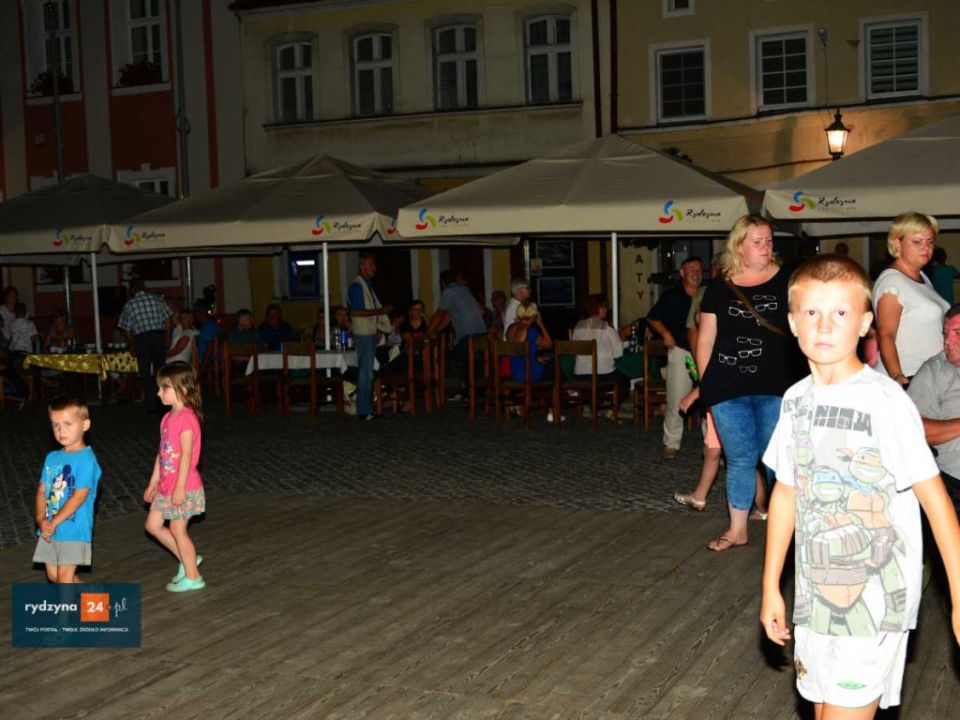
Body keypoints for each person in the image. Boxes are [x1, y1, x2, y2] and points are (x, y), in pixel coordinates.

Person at [761, 253, 960, 718]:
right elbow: (786, 492)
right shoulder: (795, 400)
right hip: (815, 600)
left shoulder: (885, 402)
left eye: (840, 313)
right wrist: (771, 584)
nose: (824, 326)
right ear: (792, 322)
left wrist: (958, 596)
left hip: (874, 606)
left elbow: (937, 503)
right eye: (812, 312)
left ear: (866, 323)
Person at [679, 215, 802, 551]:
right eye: (757, 241)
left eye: (769, 240)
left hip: (777, 386)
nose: (766, 246)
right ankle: (737, 529)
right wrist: (706, 385)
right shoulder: (720, 288)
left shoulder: (788, 281)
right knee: (740, 459)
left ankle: (786, 525)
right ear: (739, 246)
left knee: (777, 459)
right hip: (728, 387)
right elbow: (706, 340)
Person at [143, 362, 206, 593]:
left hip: (184, 485)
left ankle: (193, 576)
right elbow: (162, 453)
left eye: (164, 388)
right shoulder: (167, 418)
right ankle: (187, 559)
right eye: (159, 388)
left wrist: (180, 488)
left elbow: (187, 455)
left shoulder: (186, 418)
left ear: (183, 389)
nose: (159, 393)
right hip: (166, 485)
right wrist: (154, 481)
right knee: (152, 526)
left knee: (178, 530)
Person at [32, 396, 102, 583]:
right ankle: (92, 597)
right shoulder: (52, 457)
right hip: (50, 527)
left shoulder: (86, 460)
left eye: (67, 424)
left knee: (64, 577)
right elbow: (41, 491)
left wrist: (54, 522)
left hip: (74, 528)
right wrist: (41, 519)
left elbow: (78, 497)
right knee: (54, 575)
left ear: (85, 425)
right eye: (55, 425)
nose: (60, 430)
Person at [873, 212, 948, 386]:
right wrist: (897, 376)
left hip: (929, 378)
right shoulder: (892, 282)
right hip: (909, 378)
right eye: (917, 242)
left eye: (930, 241)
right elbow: (885, 334)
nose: (926, 247)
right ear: (897, 243)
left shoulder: (922, 277)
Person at [647, 257, 703, 459]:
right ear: (682, 273)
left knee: (710, 398)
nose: (695, 272)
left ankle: (712, 445)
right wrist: (665, 334)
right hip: (682, 352)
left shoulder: (707, 294)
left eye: (698, 269)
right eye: (691, 268)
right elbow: (652, 317)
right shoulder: (672, 296)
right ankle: (671, 443)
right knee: (676, 398)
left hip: (705, 352)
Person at [907, 303, 960, 514]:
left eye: (958, 333)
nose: (948, 341)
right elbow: (913, 429)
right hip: (953, 483)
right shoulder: (935, 372)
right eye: (945, 333)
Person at [427, 270, 488, 393]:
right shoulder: (464, 289)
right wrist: (437, 330)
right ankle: (478, 394)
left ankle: (471, 394)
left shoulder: (449, 291)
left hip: (468, 333)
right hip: (480, 331)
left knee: (467, 365)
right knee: (477, 365)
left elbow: (440, 314)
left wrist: (428, 332)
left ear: (443, 283)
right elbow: (449, 316)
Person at [348, 251, 392, 421]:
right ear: (362, 266)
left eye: (374, 265)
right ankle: (364, 410)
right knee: (366, 372)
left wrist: (378, 326)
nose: (375, 268)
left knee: (368, 372)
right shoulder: (357, 286)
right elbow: (356, 312)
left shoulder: (366, 285)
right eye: (371, 265)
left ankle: (366, 409)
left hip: (369, 333)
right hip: (364, 334)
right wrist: (381, 311)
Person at [118, 276, 173, 410]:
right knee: (160, 369)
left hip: (142, 339)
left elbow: (126, 330)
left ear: (132, 290)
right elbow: (168, 319)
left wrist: (132, 345)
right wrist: (167, 336)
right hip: (158, 336)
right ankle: (162, 401)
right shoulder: (157, 299)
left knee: (145, 372)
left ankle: (150, 403)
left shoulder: (129, 305)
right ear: (144, 286)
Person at [571, 294, 631, 406]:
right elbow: (618, 353)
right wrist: (622, 337)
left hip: (580, 375)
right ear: (600, 309)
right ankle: (610, 405)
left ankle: (595, 400)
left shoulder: (578, 326)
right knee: (625, 380)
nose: (606, 310)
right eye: (605, 307)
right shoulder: (607, 327)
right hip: (602, 375)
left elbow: (574, 348)